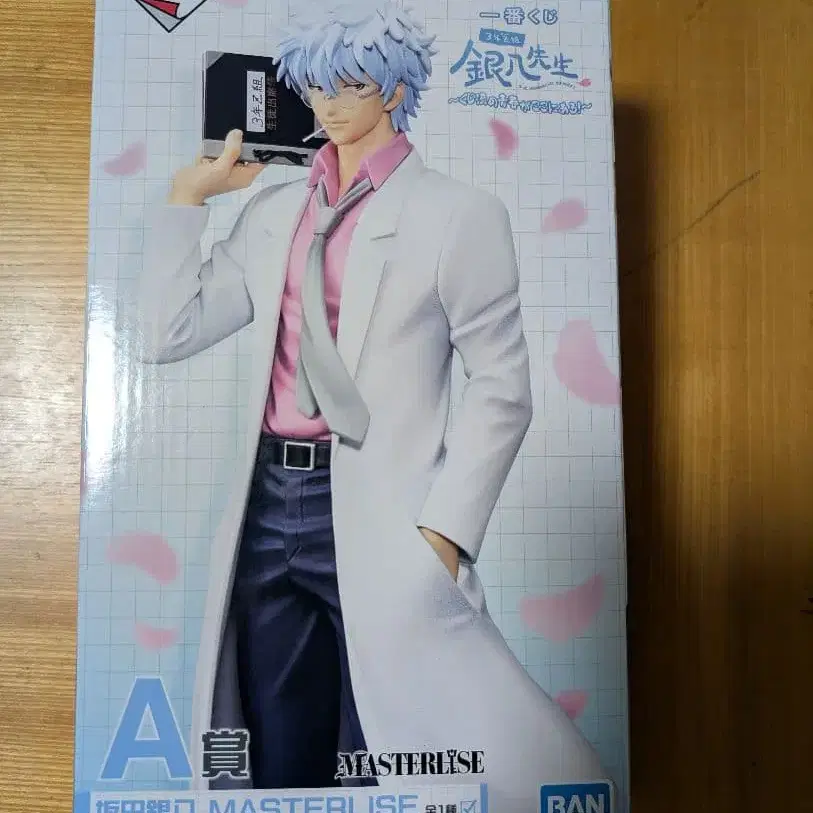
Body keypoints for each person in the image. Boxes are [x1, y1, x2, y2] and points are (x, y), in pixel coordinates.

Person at [138, 2, 608, 809]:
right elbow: (167, 332)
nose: (328, 105)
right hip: (267, 502)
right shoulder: (273, 212)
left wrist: (445, 533)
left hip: (383, 505)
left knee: (392, 740)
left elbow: (501, 384)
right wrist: (189, 199)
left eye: (351, 85)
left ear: (393, 91)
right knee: (282, 747)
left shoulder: (457, 214)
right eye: (317, 86)